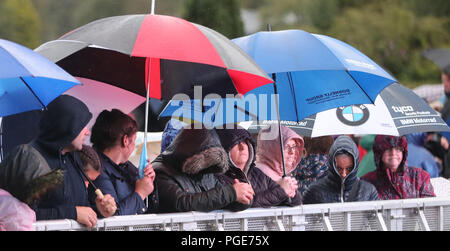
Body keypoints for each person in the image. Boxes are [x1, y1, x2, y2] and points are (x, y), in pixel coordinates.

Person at [0, 95, 112, 228]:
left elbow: (80, 207)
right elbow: (17, 216)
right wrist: (72, 213)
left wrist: (99, 209)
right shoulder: (30, 159)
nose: (87, 132)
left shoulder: (72, 158)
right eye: (83, 126)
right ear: (68, 126)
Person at [152, 126, 254, 213]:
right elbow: (181, 203)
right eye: (203, 163)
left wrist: (244, 196)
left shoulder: (206, 171)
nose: (204, 169)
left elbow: (220, 201)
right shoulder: (161, 171)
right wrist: (231, 193)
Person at [89, 109, 158, 216]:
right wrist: (140, 193)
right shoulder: (97, 170)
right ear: (125, 140)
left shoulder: (127, 167)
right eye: (134, 140)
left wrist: (147, 181)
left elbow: (150, 207)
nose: (134, 145)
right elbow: (112, 216)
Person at [215, 127, 301, 208]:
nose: (242, 147)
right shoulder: (217, 179)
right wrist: (281, 191)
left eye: (245, 142)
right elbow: (246, 205)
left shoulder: (258, 173)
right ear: (223, 149)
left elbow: (294, 200)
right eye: (235, 143)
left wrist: (291, 190)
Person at [303, 135, 379, 204]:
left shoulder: (368, 191)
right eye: (339, 168)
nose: (344, 174)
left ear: (355, 166)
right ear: (331, 164)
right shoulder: (314, 192)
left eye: (349, 168)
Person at [361, 135, 436, 200]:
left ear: (404, 152)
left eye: (398, 149)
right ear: (379, 152)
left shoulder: (420, 176)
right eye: (388, 149)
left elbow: (430, 209)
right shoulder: (367, 182)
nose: (393, 153)